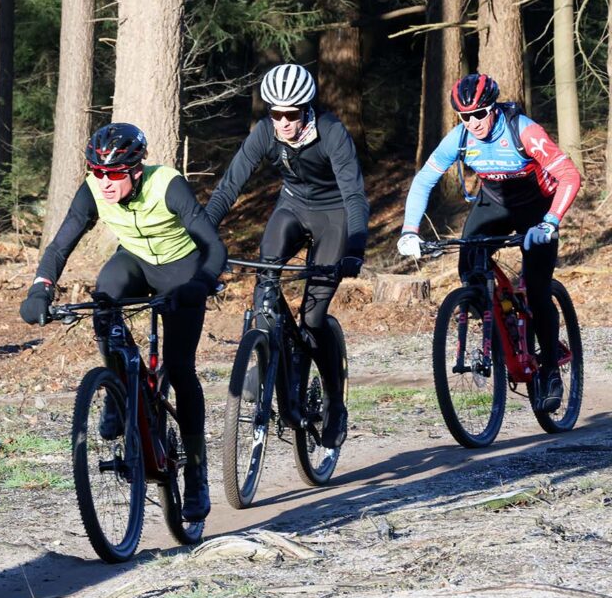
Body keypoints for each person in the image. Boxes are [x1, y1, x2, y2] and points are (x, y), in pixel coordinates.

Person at [19, 122, 227, 522]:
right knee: (104, 301)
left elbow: (214, 246)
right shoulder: (94, 187)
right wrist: (40, 289)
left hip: (182, 269)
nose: (105, 182)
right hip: (134, 262)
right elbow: (61, 244)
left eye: (114, 174)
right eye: (98, 172)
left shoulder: (167, 185)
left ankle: (197, 474)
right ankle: (118, 388)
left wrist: (201, 284)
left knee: (181, 369)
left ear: (135, 170)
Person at [205, 63, 369, 458]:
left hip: (334, 216)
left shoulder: (331, 132)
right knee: (265, 285)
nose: (282, 122)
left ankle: (334, 401)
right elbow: (231, 185)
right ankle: (265, 364)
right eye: (275, 113)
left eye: (291, 114)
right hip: (293, 207)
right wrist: (203, 234)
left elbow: (354, 196)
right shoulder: (265, 132)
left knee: (313, 318)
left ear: (306, 108)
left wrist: (355, 248)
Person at [397, 73, 581, 411]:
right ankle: (497, 322)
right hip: (493, 203)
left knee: (538, 289)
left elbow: (570, 175)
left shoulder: (523, 130)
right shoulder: (460, 137)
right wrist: (410, 230)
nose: (474, 122)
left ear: (493, 109)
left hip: (536, 207)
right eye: (466, 116)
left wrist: (551, 221)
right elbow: (425, 179)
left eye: (480, 114)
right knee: (468, 267)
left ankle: (550, 368)